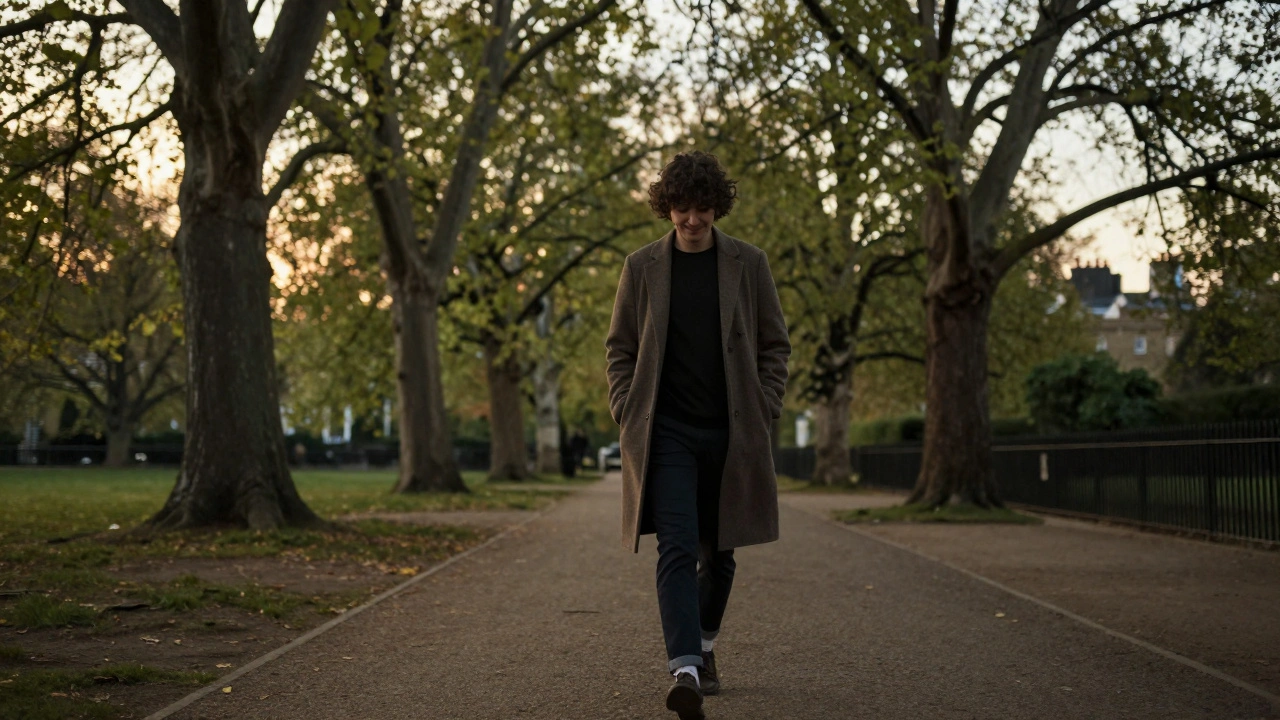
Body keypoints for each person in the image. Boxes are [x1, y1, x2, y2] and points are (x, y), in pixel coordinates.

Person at [604, 151, 790, 719]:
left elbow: (773, 345)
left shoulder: (748, 263)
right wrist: (625, 408)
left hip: (732, 434)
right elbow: (620, 349)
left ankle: (705, 647)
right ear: (667, 208)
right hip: (667, 432)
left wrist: (765, 405)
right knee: (677, 547)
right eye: (681, 208)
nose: (691, 220)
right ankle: (683, 667)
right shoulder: (640, 268)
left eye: (702, 208)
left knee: (720, 554)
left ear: (717, 207)